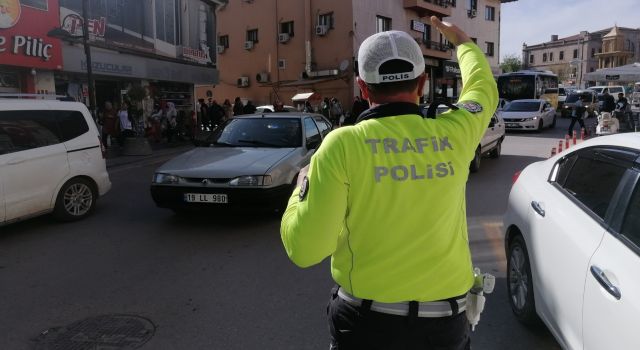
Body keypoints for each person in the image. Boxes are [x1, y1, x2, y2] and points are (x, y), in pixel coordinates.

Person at [280, 18, 498, 349]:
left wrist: (300, 189)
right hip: (443, 328)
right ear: (422, 83)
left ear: (362, 88)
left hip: (366, 326)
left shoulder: (341, 145)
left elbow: (306, 249)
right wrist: (462, 42)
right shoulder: (456, 131)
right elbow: (482, 89)